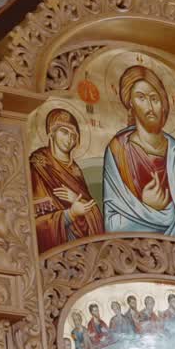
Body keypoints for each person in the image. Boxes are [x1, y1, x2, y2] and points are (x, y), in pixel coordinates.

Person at [103, 64, 175, 236]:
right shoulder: (118, 151)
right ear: (130, 102)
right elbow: (113, 225)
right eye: (141, 98)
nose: (149, 105)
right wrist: (151, 208)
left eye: (154, 98)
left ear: (163, 104)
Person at [30, 108, 103, 253]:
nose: (70, 138)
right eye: (64, 132)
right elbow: (32, 221)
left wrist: (77, 200)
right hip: (55, 257)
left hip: (83, 252)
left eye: (74, 135)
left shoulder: (75, 171)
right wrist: (70, 214)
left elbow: (95, 214)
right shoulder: (38, 165)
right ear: (52, 132)